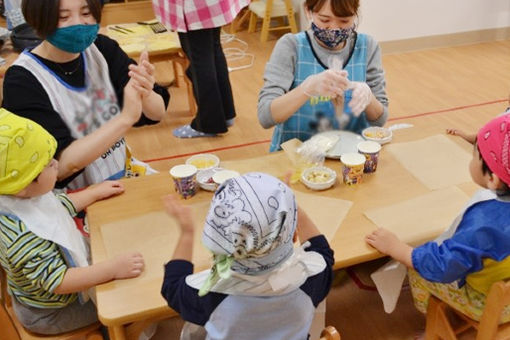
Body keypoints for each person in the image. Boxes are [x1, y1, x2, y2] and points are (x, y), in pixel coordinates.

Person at [0, 110, 145, 335]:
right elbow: (60, 281)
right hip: (52, 312)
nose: (57, 164)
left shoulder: (16, 193)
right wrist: (112, 269)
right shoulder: (22, 237)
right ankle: (112, 334)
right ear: (23, 186)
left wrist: (92, 193)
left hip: (58, 286)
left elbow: (56, 206)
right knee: (125, 300)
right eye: (48, 164)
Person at [2, 0, 170, 191]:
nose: (78, 23)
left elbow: (157, 113)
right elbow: (62, 166)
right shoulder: (23, 81)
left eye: (86, 13)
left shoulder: (102, 49)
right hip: (71, 198)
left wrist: (146, 92)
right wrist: (125, 119)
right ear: (39, 20)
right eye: (63, 17)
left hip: (124, 175)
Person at [365, 113, 510, 324]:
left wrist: (399, 249)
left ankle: (435, 324)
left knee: (416, 266)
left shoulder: (484, 224)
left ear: (493, 179)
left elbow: (441, 266)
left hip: (490, 305)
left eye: (475, 155)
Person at [161, 173, 334, 339]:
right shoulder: (311, 280)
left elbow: (172, 286)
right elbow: (322, 251)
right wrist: (292, 207)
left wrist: (187, 233)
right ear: (295, 235)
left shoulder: (207, 294)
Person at [258, 0, 388, 152]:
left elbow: (380, 120)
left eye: (344, 20)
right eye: (325, 20)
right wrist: (306, 89)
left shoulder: (367, 47)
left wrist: (368, 97)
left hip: (351, 157)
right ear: (308, 11)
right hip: (299, 156)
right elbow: (265, 117)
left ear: (355, 14)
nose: (333, 28)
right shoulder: (291, 46)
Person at [152, 0, 248, 138]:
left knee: (199, 57)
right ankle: (226, 113)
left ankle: (209, 124)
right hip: (208, 5)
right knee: (213, 49)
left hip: (193, 7)